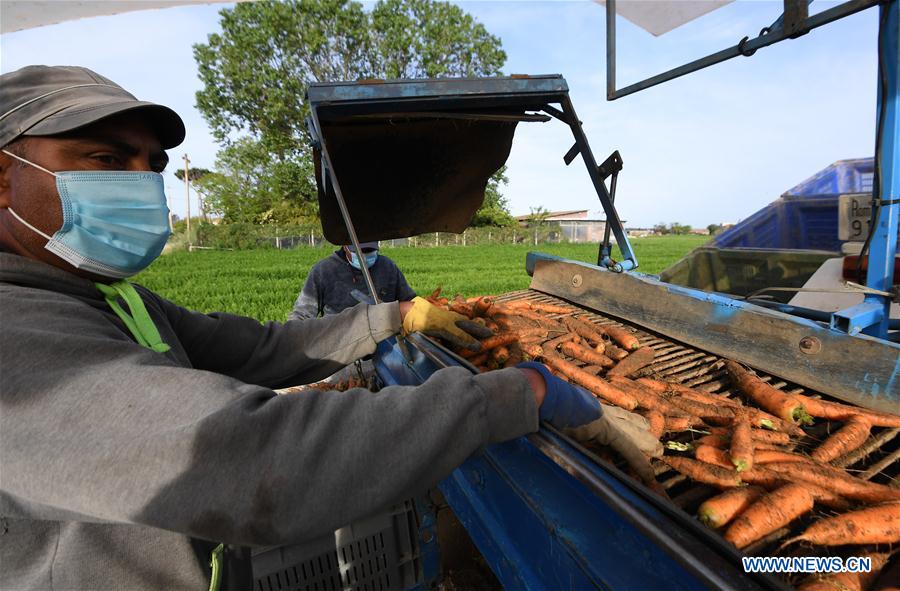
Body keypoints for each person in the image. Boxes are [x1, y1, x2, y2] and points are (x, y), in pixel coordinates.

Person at [0, 65, 660, 591]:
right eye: (107, 160)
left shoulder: (111, 297)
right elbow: (251, 456)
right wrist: (520, 392)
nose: (143, 183)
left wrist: (396, 315)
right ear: (5, 176)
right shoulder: (16, 337)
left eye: (153, 166)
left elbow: (262, 346)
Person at [289, 241, 416, 320]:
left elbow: (410, 301)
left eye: (369, 251)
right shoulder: (324, 270)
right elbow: (302, 313)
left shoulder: (387, 266)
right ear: (345, 247)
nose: (364, 256)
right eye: (359, 251)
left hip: (384, 345)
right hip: (341, 347)